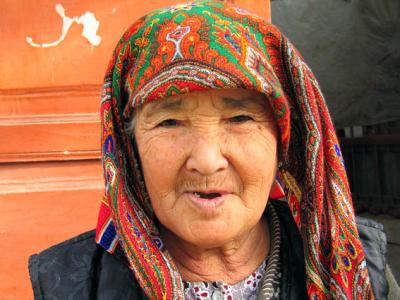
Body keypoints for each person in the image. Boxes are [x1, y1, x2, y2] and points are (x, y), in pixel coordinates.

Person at [28, 1, 399, 299]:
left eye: (239, 118)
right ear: (128, 148)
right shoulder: (68, 283)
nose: (207, 161)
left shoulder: (362, 264)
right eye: (169, 123)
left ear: (284, 139)